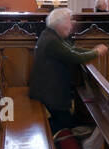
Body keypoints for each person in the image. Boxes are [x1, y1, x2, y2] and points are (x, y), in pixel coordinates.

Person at [32, 7, 102, 141]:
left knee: (71, 122)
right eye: (70, 21)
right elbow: (74, 56)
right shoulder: (52, 40)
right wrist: (96, 52)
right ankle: (41, 132)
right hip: (49, 93)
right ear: (61, 23)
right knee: (67, 124)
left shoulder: (51, 35)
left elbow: (72, 49)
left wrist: (91, 50)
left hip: (50, 90)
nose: (72, 25)